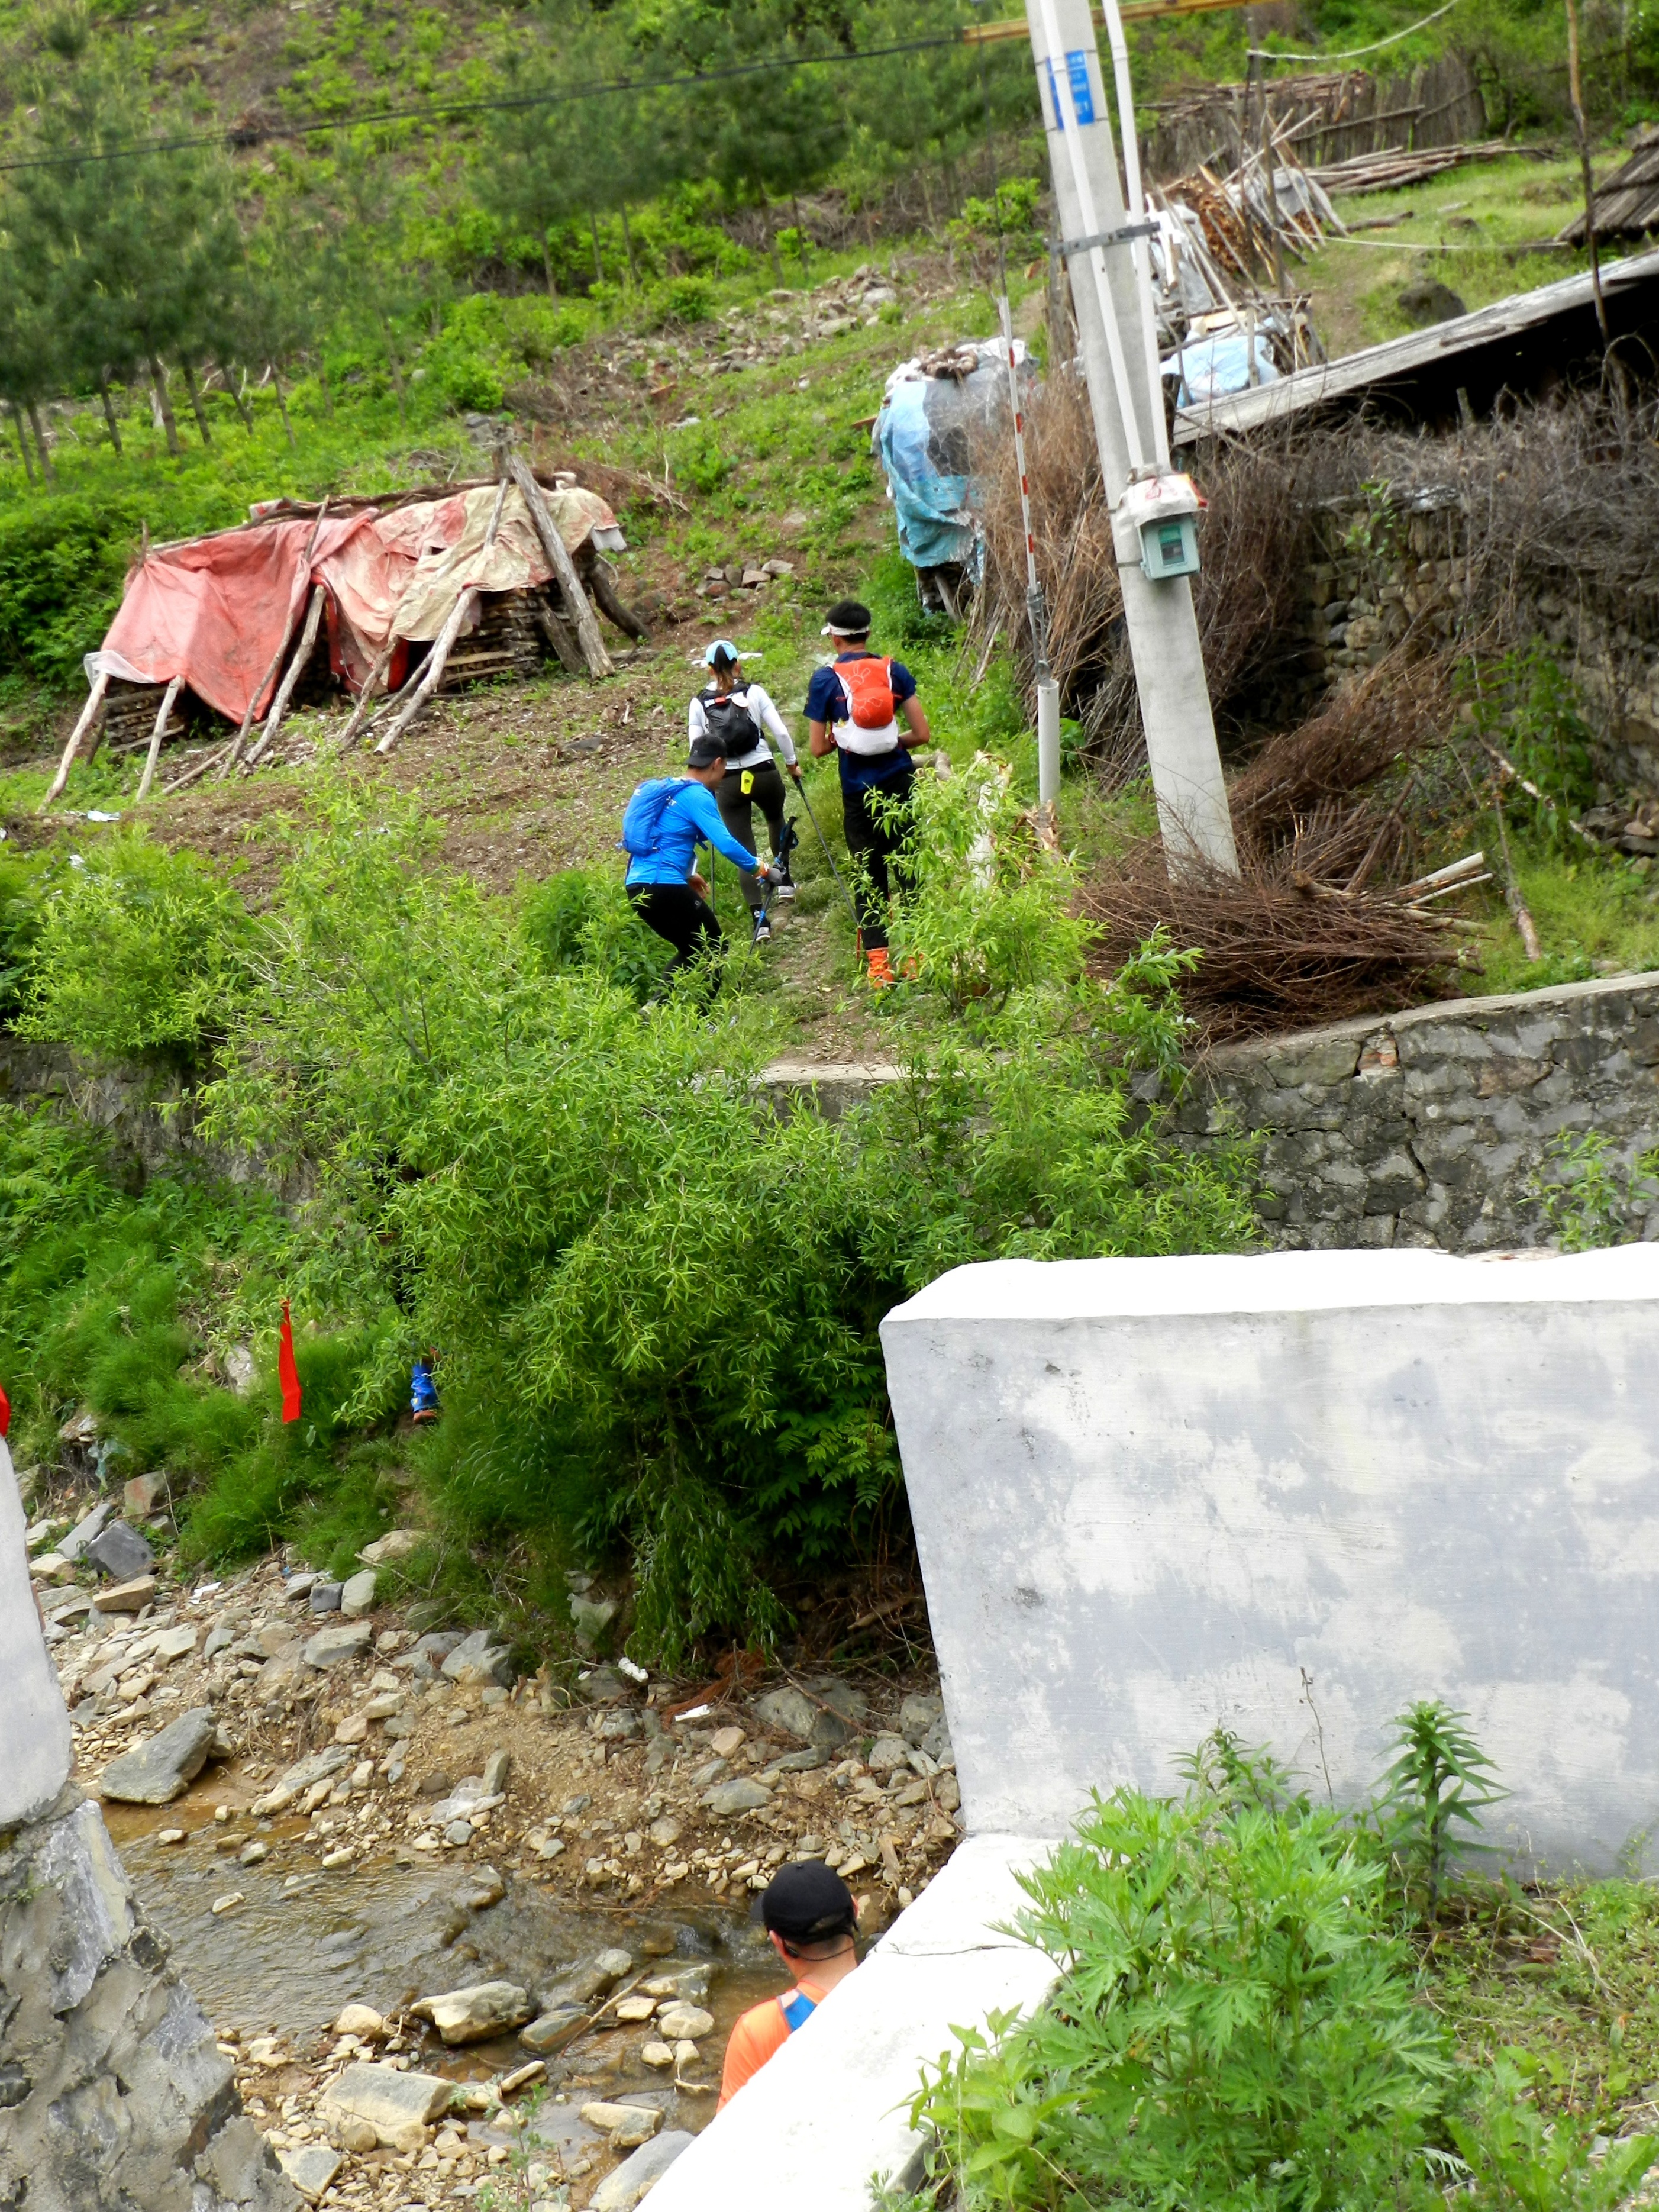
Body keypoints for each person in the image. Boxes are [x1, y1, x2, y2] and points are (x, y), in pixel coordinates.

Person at [805, 598, 932, 988]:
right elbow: (922, 734)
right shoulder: (895, 671)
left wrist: (844, 739)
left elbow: (817, 748)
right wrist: (892, 744)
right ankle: (917, 954)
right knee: (908, 865)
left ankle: (879, 966)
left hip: (858, 792)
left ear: (835, 639)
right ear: (868, 634)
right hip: (899, 780)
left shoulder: (825, 680)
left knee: (869, 873)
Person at [622, 730, 781, 989]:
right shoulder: (697, 795)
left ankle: (654, 1011)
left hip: (637, 887)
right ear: (717, 764)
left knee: (691, 948)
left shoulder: (670, 790)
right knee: (715, 946)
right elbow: (726, 844)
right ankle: (708, 1017)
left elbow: (666, 837)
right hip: (663, 884)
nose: (722, 778)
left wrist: (687, 875)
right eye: (724, 769)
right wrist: (762, 870)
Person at [718, 1862, 861, 2110]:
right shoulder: (897, 1984)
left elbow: (728, 2140)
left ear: (778, 1942)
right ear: (856, 1909)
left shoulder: (758, 2032)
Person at [691, 640, 801, 944]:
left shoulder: (700, 703)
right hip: (763, 771)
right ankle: (784, 881)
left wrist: (703, 786)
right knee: (775, 819)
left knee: (742, 847)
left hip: (726, 781)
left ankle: (759, 920)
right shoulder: (753, 693)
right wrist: (792, 765)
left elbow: (696, 748)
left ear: (710, 669)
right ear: (738, 664)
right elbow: (780, 732)